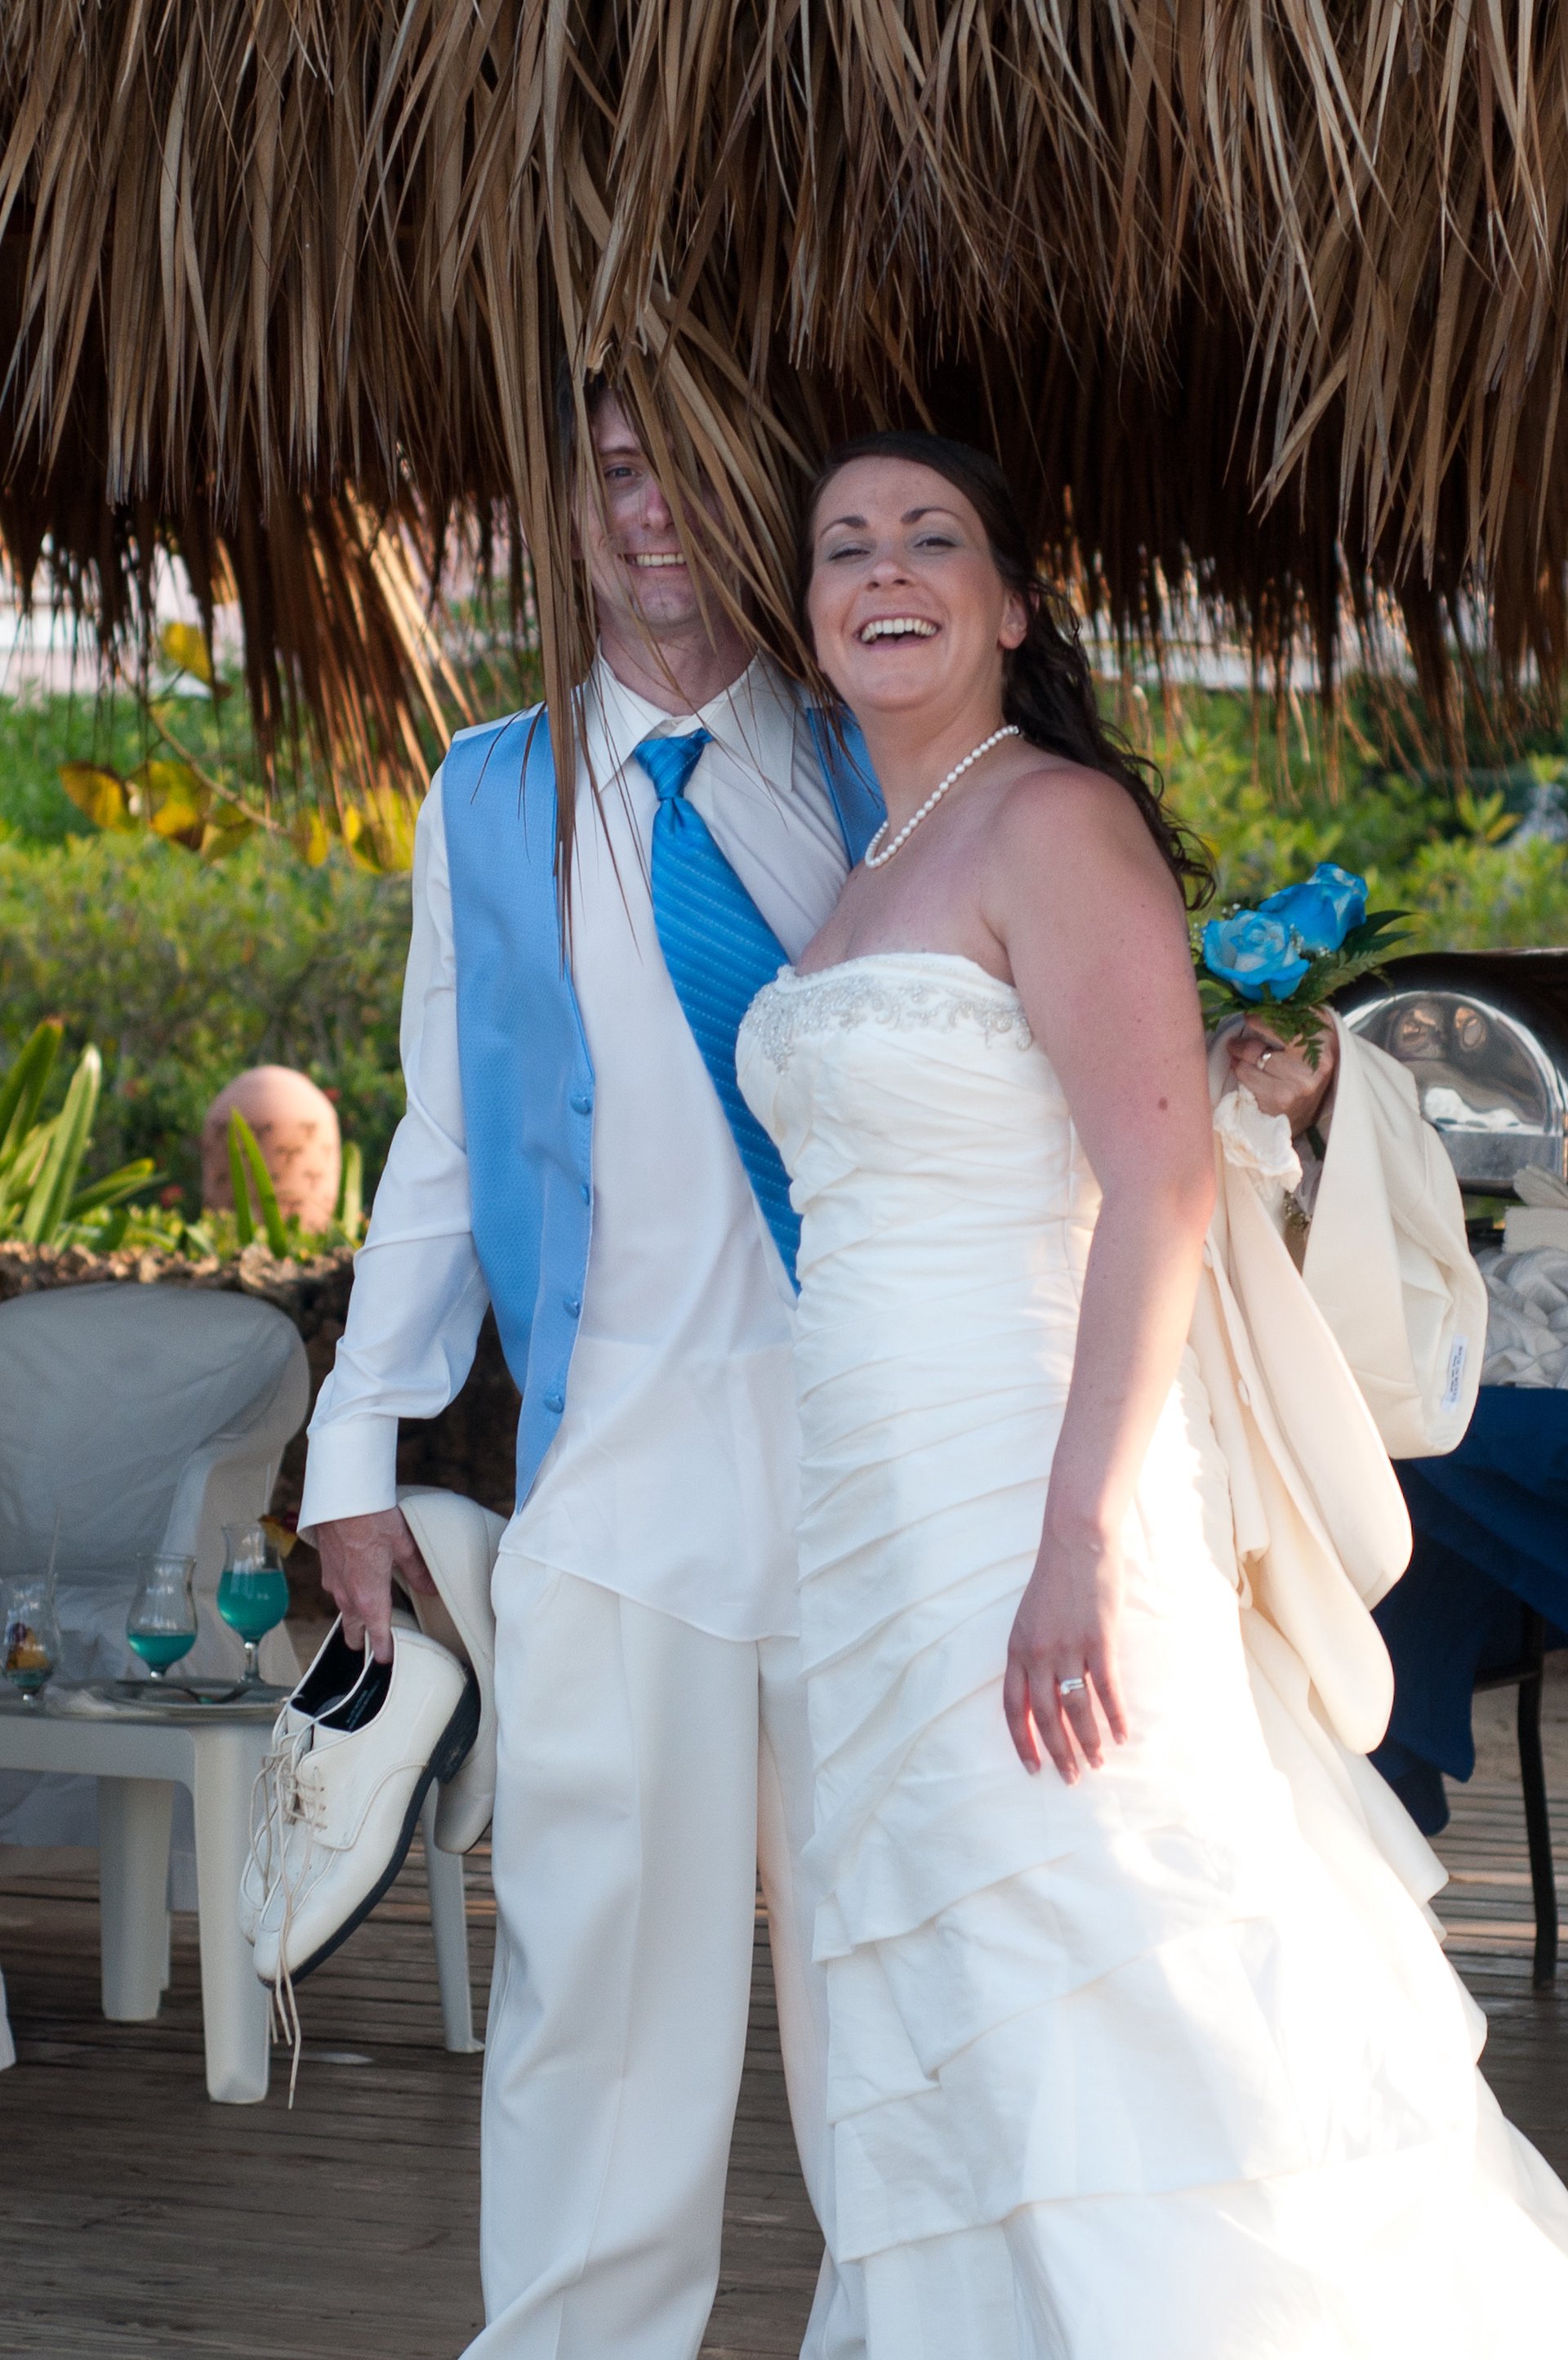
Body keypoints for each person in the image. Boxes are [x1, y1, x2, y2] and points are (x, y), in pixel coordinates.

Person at [736, 429, 1568, 2358]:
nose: (885, 567)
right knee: (966, 1989)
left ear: (1014, 606)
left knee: (1122, 1956)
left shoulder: (1054, 822)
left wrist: (1079, 1534)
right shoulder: (871, 865)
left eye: (932, 537)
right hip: (875, 1507)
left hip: (1035, 1481)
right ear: (810, 609)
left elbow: (1165, 1178)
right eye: (846, 544)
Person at [297, 386, 880, 2360]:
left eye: (693, 468)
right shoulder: (488, 790)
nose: (655, 512)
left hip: (871, 1448)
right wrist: (354, 1443)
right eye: (618, 470)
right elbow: (447, 1131)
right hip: (619, 1449)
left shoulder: (878, 748)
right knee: (598, 1973)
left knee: (893, 1968)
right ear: (566, 502)